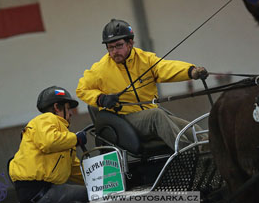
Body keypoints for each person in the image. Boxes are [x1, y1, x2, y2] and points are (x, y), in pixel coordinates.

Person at [76, 19, 208, 150]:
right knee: (157, 115)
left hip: (150, 114)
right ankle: (188, 152)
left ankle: (207, 147)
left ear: (130, 43)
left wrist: (191, 71)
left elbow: (165, 68)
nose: (115, 51)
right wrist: (101, 98)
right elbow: (82, 89)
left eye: (119, 45)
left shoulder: (145, 59)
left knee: (192, 128)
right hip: (125, 120)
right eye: (110, 47)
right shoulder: (100, 69)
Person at [9, 86, 88, 203]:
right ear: (56, 107)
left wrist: (101, 180)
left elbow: (73, 168)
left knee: (93, 192)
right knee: (91, 195)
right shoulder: (46, 118)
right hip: (41, 190)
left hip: (46, 190)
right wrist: (76, 138)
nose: (71, 113)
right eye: (68, 108)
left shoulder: (62, 136)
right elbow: (49, 142)